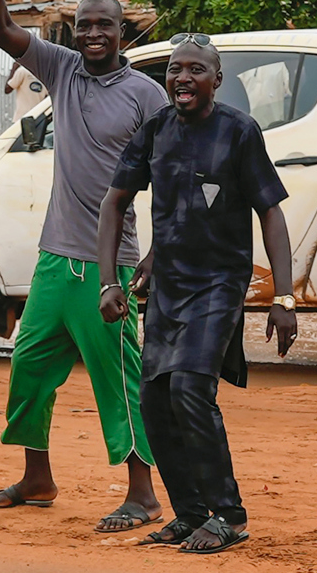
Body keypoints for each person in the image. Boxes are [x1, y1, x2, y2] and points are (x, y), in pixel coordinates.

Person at [0, 0, 167, 533]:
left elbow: (175, 181)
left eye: (104, 24)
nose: (92, 34)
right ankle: (37, 478)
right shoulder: (61, 68)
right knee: (29, 364)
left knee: (117, 378)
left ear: (122, 30)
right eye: (83, 25)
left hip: (107, 266)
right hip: (56, 259)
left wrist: (156, 255)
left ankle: (143, 494)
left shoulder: (146, 96)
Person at [98, 35, 297, 555]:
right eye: (175, 70)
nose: (182, 78)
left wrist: (285, 295)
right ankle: (189, 513)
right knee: (155, 399)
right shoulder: (156, 130)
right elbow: (114, 202)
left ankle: (228, 515)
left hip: (218, 284)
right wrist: (108, 281)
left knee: (189, 389)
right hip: (165, 286)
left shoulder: (239, 131)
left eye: (195, 70)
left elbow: (270, 212)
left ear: (216, 80)